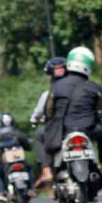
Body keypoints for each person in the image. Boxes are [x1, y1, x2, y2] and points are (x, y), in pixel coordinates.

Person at [42, 46, 102, 181]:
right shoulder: (94, 87)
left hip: (63, 131)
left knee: (43, 133)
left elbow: (48, 110)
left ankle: (47, 171)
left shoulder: (56, 86)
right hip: (89, 130)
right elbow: (101, 112)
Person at [32, 57, 67, 185]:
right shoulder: (79, 89)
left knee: (39, 135)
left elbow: (37, 114)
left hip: (55, 130)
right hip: (78, 126)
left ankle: (46, 171)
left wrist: (35, 120)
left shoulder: (48, 94)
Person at [0, 112, 34, 203]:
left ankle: (2, 192)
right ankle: (31, 188)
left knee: (0, 174)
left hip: (6, 163)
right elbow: (27, 145)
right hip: (20, 160)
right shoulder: (17, 132)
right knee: (29, 168)